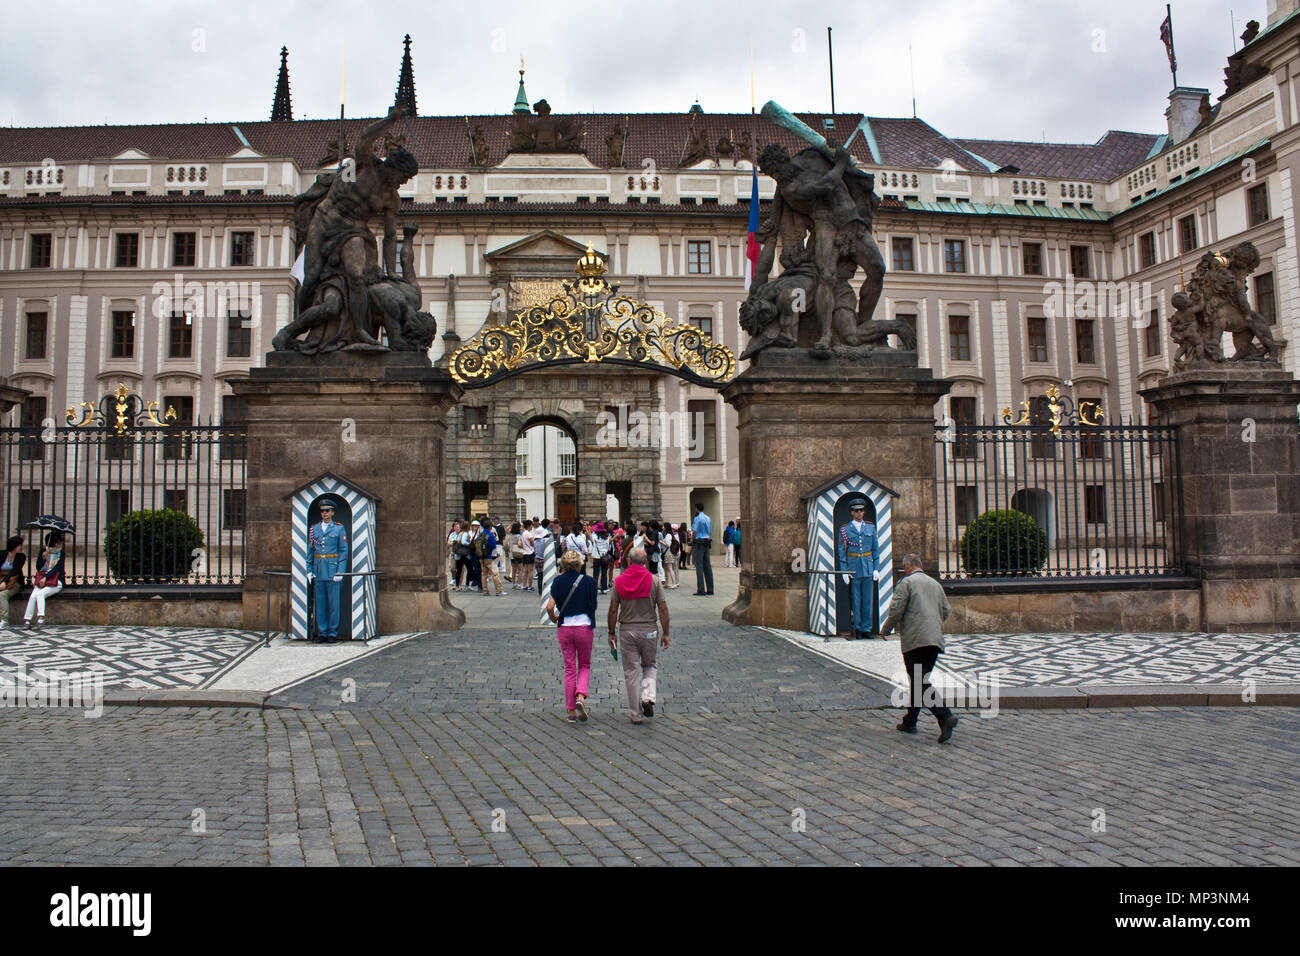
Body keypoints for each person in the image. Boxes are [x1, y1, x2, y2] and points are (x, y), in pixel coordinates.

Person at [881, 553, 958, 744]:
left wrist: (886, 628)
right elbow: (946, 611)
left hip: (915, 641)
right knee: (919, 681)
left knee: (920, 682)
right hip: (934, 640)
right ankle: (910, 721)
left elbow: (896, 609)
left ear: (908, 566)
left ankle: (945, 716)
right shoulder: (936, 585)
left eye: (904, 567)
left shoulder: (906, 583)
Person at [607, 547, 670, 724]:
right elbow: (663, 609)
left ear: (629, 561)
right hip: (649, 629)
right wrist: (666, 633)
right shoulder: (654, 581)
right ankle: (647, 697)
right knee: (649, 665)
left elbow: (613, 610)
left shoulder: (619, 581)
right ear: (645, 562)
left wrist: (611, 632)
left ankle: (635, 714)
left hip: (627, 630)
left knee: (631, 672)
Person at [546, 549, 599, 724]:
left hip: (565, 628)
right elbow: (594, 605)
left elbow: (549, 606)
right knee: (584, 664)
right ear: (580, 564)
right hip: (584, 626)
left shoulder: (558, 581)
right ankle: (580, 697)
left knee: (569, 668)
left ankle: (570, 711)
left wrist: (555, 617)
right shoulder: (590, 582)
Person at [836, 498, 881, 640]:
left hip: (867, 567)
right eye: (856, 510)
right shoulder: (844, 529)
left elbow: (875, 549)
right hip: (853, 567)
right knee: (856, 600)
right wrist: (844, 571)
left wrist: (876, 568)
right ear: (851, 512)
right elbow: (842, 551)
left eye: (861, 510)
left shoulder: (870, 527)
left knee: (867, 600)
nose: (859, 513)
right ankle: (857, 628)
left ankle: (866, 628)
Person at [307, 500, 349, 642]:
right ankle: (322, 632)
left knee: (334, 604)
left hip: (333, 571)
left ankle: (332, 633)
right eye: (322, 511)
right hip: (319, 571)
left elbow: (343, 551)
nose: (324, 513)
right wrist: (309, 569)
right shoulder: (314, 529)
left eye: (327, 511)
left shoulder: (338, 529)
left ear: (332, 512)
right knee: (320, 603)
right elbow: (310, 551)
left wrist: (340, 572)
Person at [0, 535, 26, 628]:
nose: (21, 547)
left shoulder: (21, 557)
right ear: (14, 546)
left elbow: (15, 570)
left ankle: (4, 620)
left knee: (2, 595)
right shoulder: (2, 554)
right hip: (1, 580)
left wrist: (5, 582)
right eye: (20, 545)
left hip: (14, 583)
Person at [691, 502, 713, 595]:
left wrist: (692, 540)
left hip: (699, 543)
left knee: (699, 566)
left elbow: (694, 531)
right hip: (706, 542)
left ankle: (701, 589)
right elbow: (710, 531)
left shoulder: (697, 518)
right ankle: (710, 589)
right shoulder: (708, 518)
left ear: (696, 508)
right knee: (707, 566)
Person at [479, 520, 505, 596]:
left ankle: (485, 591)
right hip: (489, 557)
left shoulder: (480, 535)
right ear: (490, 527)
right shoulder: (490, 535)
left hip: (482, 557)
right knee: (495, 574)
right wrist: (495, 555)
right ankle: (499, 590)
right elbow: (494, 546)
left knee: (484, 575)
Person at [591, 522, 613, 593]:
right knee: (604, 573)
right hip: (604, 557)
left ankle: (595, 588)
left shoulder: (594, 537)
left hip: (596, 557)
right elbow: (608, 547)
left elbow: (590, 539)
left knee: (595, 574)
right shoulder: (607, 537)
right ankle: (604, 588)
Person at [661, 523, 680, 589]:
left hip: (668, 553)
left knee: (669, 568)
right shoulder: (668, 534)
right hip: (667, 552)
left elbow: (668, 545)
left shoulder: (668, 535)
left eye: (663, 526)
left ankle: (674, 583)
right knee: (666, 568)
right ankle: (667, 583)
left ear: (666, 527)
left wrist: (661, 542)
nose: (662, 527)